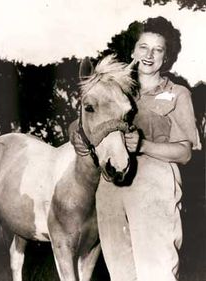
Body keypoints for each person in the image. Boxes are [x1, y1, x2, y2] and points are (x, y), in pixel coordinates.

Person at [70, 17, 201, 281]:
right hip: (110, 189)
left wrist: (143, 145)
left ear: (167, 57)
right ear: (133, 51)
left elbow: (185, 153)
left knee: (157, 273)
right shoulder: (113, 88)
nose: (149, 55)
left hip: (155, 189)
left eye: (158, 49)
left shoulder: (178, 94)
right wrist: (76, 132)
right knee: (120, 274)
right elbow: (85, 118)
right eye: (144, 47)